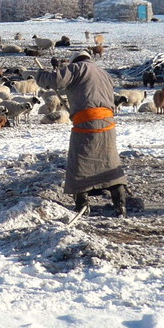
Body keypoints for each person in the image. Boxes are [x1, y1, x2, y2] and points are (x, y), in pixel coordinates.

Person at [35, 51, 127, 216]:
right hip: (108, 123)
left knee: (79, 162)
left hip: (87, 123)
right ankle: (120, 203)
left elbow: (54, 80)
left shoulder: (76, 68)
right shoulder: (103, 73)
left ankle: (82, 204)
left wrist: (41, 75)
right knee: (110, 162)